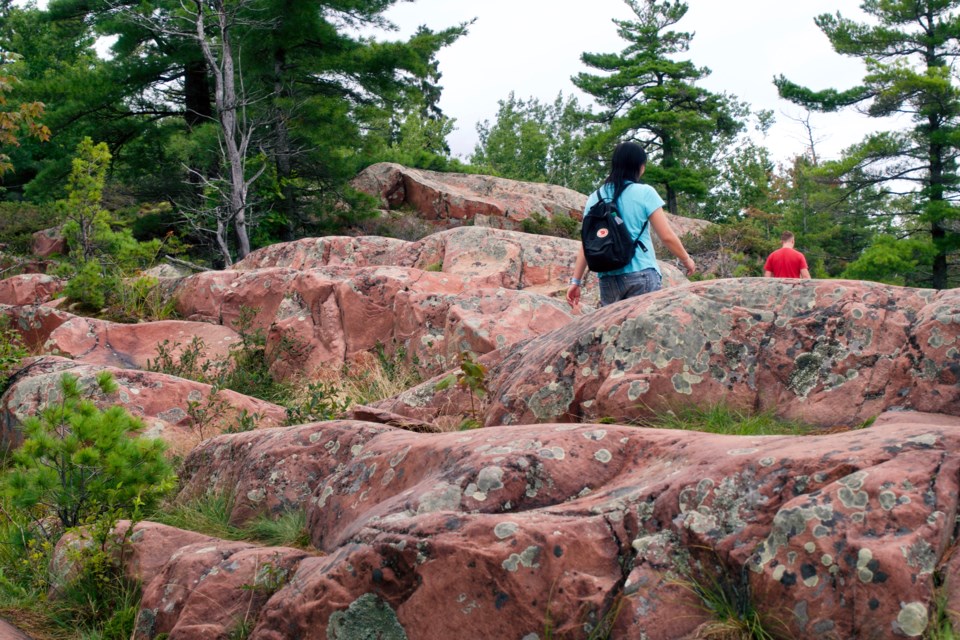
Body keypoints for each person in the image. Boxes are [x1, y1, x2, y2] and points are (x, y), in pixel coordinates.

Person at [567, 142, 696, 308]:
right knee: (643, 330)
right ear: (639, 166)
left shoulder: (595, 197)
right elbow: (666, 236)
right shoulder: (645, 192)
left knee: (614, 331)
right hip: (641, 273)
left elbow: (587, 244)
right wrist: (686, 260)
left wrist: (575, 281)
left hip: (608, 278)